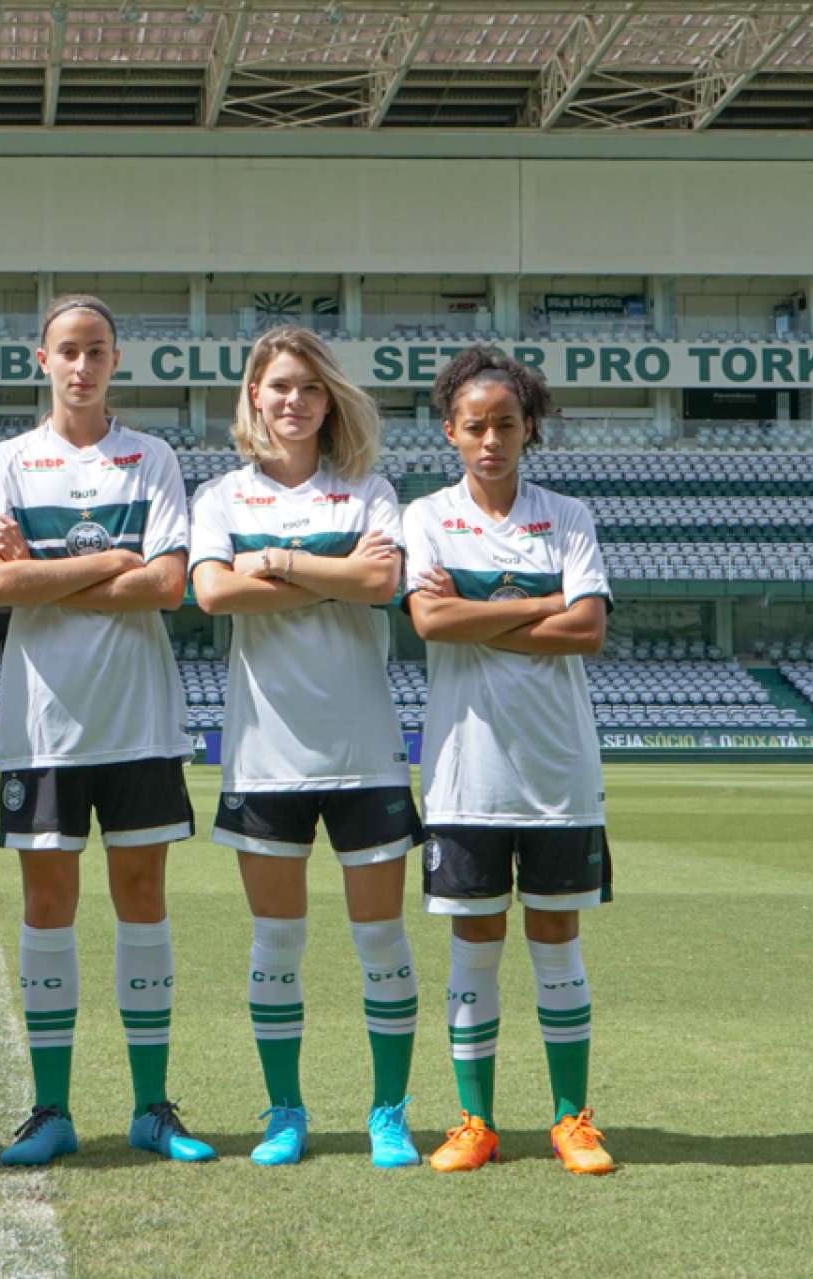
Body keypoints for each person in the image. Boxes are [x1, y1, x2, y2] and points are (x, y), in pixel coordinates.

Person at [0, 294, 212, 1167]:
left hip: (138, 719)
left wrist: (49, 567)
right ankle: (51, 1108)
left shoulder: (151, 457)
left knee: (141, 902)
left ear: (116, 361)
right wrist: (112, 557)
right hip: (43, 727)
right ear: (42, 359)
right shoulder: (4, 461)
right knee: (48, 908)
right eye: (67, 350)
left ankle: (151, 1106)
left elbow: (164, 586)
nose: (82, 365)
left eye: (97, 350)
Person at [190, 325, 424, 1169]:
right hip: (264, 756)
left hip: (364, 753)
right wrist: (325, 575)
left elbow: (379, 582)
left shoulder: (367, 489)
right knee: (275, 944)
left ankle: (387, 1113)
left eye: (310, 387)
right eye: (278, 385)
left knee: (381, 941)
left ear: (330, 400)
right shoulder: (219, 496)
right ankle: (284, 1111)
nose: (293, 400)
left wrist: (279, 560)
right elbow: (213, 592)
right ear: (253, 394)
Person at [400, 344, 616, 1175]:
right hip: (464, 774)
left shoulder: (566, 517)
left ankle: (572, 1119)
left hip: (558, 774)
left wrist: (477, 611)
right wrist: (539, 606)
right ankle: (474, 1121)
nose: (489, 439)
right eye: (473, 425)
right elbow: (427, 621)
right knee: (473, 947)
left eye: (504, 424)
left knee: (556, 941)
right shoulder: (425, 517)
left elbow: (588, 629)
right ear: (449, 431)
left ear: (529, 427)